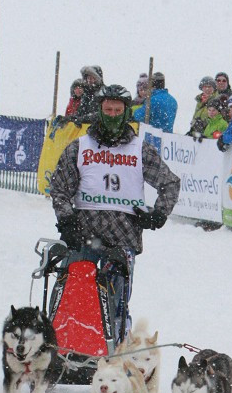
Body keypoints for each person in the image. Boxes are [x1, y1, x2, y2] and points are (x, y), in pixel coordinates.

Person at [50, 83, 180, 337]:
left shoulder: (140, 149)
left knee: (115, 302)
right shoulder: (79, 147)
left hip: (124, 237)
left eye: (117, 110)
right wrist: (66, 220)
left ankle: (113, 349)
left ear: (125, 112)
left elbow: (170, 183)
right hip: (82, 234)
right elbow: (59, 189)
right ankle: (69, 346)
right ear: (99, 110)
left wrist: (158, 214)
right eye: (107, 109)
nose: (111, 115)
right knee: (74, 294)